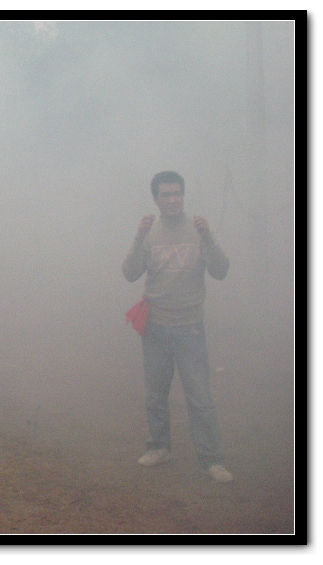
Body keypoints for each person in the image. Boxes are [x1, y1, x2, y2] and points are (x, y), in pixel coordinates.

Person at [122, 171, 233, 483]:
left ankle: (212, 460)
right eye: (165, 195)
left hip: (189, 327)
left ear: (183, 195)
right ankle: (159, 447)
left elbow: (221, 270)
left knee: (200, 397)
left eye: (176, 193)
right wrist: (138, 237)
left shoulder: (198, 229)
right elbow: (129, 273)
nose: (172, 200)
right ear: (156, 199)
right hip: (155, 327)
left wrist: (208, 237)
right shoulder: (149, 233)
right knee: (156, 393)